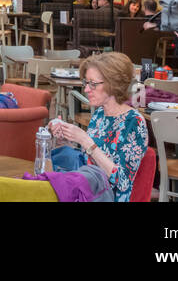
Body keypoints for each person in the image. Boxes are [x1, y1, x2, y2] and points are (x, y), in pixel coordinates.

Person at [48, 51, 148, 201]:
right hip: (88, 192)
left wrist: (85, 140)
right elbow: (87, 161)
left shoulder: (134, 122)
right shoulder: (100, 114)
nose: (87, 89)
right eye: (86, 83)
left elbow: (122, 182)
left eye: (93, 84)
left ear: (113, 85)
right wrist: (64, 137)